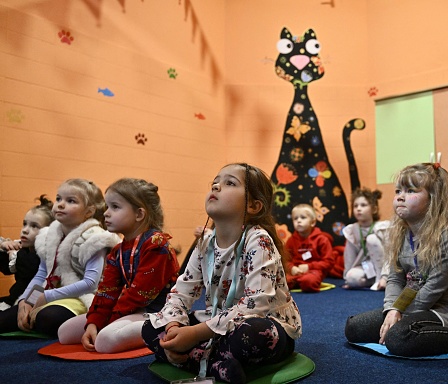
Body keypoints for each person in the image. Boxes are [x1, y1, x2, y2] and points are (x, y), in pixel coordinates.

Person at [142, 163, 302, 384]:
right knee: (151, 327)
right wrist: (173, 328)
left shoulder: (258, 240)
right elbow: (181, 293)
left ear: (254, 206)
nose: (216, 186)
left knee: (257, 333)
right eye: (215, 182)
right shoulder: (205, 243)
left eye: (229, 183)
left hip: (263, 323)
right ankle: (217, 362)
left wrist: (195, 335)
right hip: (217, 323)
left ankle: (194, 357)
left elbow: (256, 305)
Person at [345, 163, 448, 358]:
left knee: (400, 337)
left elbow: (434, 287)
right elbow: (395, 279)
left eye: (411, 190)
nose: (400, 197)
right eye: (398, 191)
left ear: (433, 199)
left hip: (446, 311)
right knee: (354, 328)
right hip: (409, 305)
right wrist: (391, 310)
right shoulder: (401, 231)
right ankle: (402, 324)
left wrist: (401, 314)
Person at [57, 178, 179, 353]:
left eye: (115, 207)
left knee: (105, 341)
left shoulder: (156, 244)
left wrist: (110, 320)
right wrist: (94, 322)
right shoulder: (117, 251)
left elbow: (140, 295)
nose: (106, 213)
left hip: (158, 312)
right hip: (131, 311)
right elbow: (107, 291)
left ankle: (160, 330)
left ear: (139, 214)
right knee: (65, 333)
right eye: (107, 207)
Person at [0, 179, 120, 336]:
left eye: (71, 201)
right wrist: (26, 300)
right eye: (58, 199)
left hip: (82, 297)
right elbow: (42, 274)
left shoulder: (95, 238)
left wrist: (47, 296)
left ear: (89, 212)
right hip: (51, 293)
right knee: (6, 319)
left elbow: (90, 283)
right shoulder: (47, 235)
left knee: (47, 319)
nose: (61, 204)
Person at [0, 195, 54, 310]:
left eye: (34, 226)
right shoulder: (23, 248)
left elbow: (28, 266)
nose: (25, 230)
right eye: (25, 224)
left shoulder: (44, 255)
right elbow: (6, 268)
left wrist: (13, 253)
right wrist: (3, 246)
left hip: (33, 304)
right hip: (14, 299)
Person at [342, 188, 390, 290]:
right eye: (355, 206)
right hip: (367, 267)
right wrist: (347, 278)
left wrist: (385, 276)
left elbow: (390, 253)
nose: (358, 208)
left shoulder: (381, 227)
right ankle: (372, 281)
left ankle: (382, 279)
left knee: (372, 239)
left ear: (374, 209)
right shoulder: (352, 229)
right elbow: (349, 256)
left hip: (384, 268)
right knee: (351, 278)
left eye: (363, 205)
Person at [285, 203, 334, 292]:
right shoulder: (291, 240)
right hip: (296, 272)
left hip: (314, 271)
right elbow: (285, 260)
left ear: (313, 222)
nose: (298, 221)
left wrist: (309, 266)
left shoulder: (322, 239)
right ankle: (297, 282)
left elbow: (329, 262)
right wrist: (292, 268)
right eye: (295, 218)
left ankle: (301, 282)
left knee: (309, 281)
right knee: (280, 282)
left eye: (303, 218)